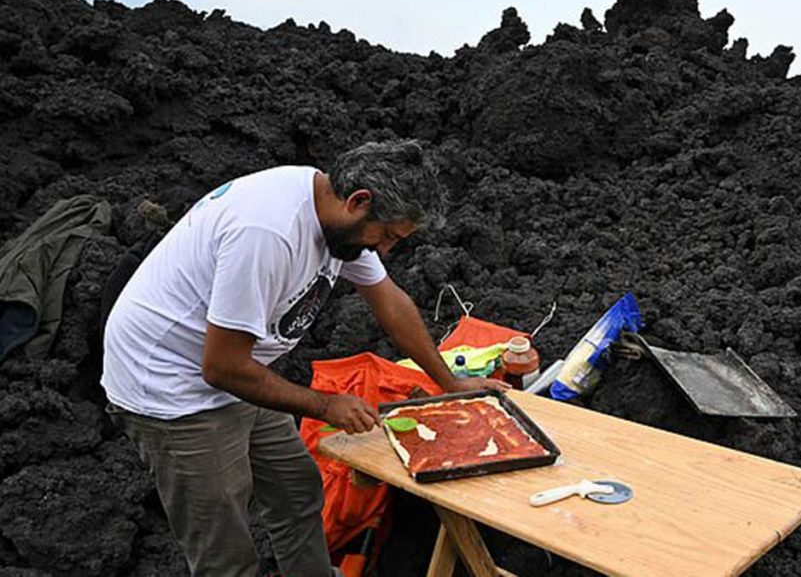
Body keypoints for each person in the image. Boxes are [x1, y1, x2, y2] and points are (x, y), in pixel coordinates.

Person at [101, 140, 506, 577]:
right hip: (172, 392)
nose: (386, 249)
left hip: (241, 370)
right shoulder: (267, 233)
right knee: (225, 547)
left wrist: (450, 383)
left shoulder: (335, 217)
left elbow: (391, 303)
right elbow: (220, 367)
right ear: (359, 201)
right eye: (387, 236)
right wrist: (326, 405)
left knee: (297, 490)